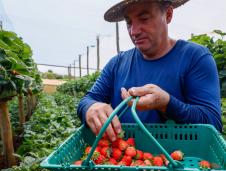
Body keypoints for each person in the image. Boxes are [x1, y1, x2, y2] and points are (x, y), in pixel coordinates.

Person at [77, 0, 222, 141]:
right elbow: (87, 100)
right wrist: (91, 107)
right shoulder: (117, 63)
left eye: (144, 18)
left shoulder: (195, 57)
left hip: (178, 160)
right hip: (123, 159)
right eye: (129, 22)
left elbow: (213, 124)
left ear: (168, 15)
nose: (134, 31)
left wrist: (167, 104)